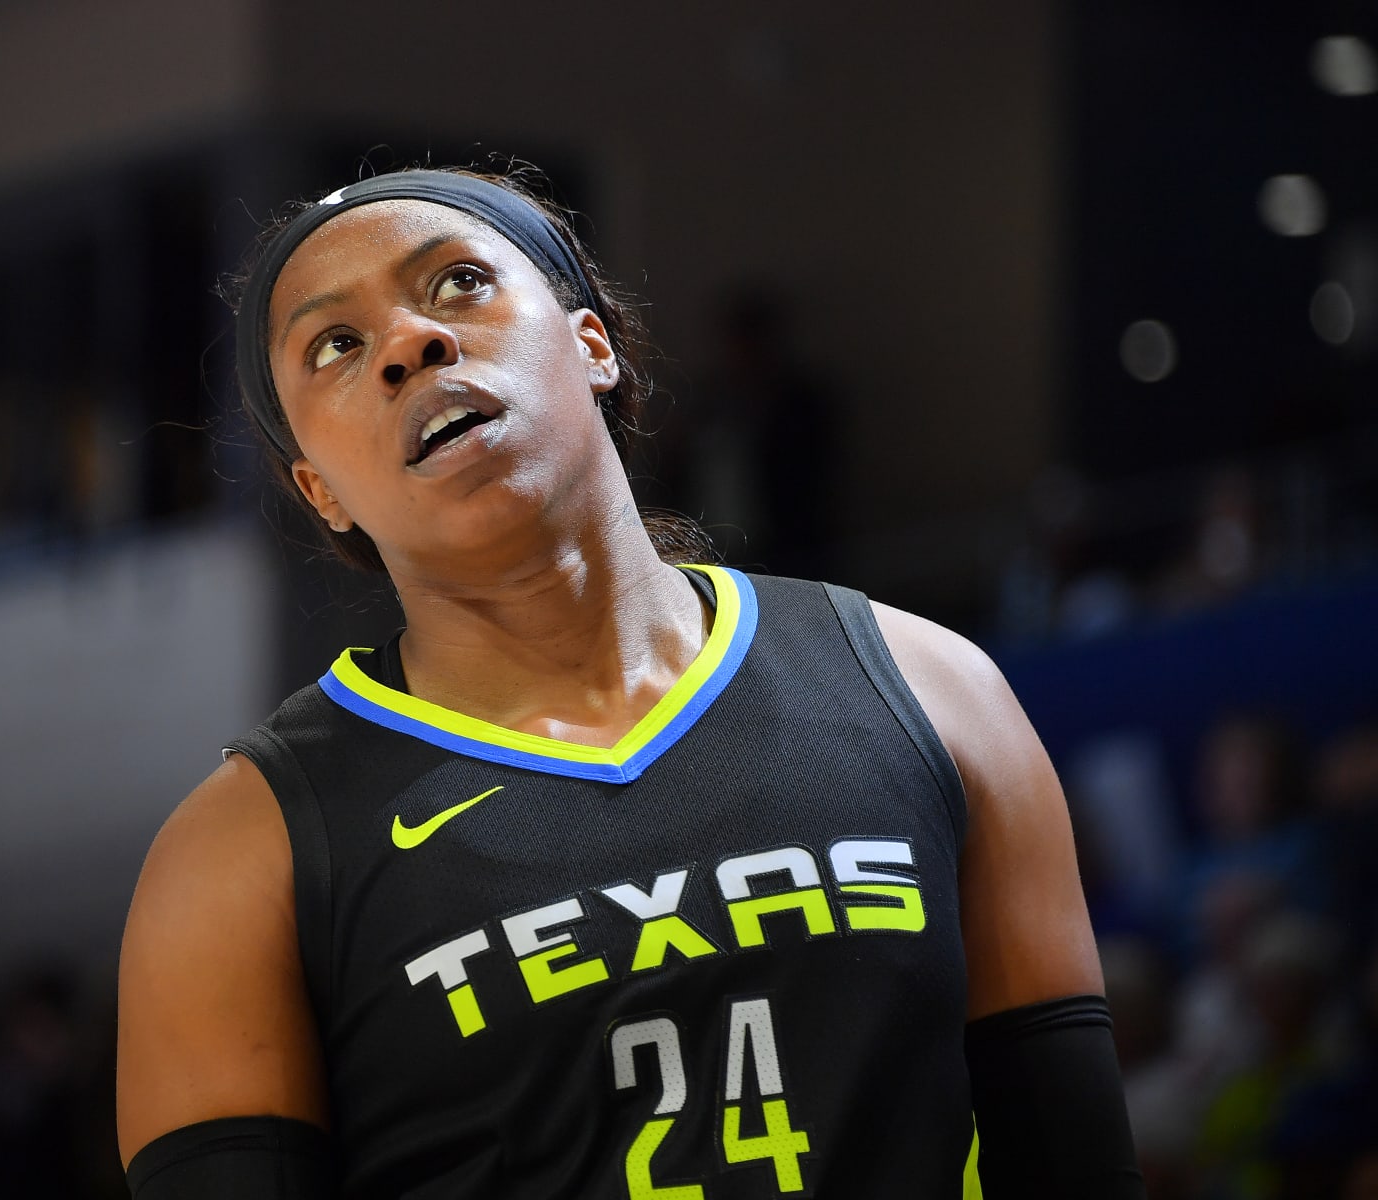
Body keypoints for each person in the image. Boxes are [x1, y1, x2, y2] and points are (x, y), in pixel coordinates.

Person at [115, 166, 1144, 1199]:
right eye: (335, 344)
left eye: (460, 283)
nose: (409, 345)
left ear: (591, 344)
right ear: (319, 491)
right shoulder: (239, 859)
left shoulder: (933, 687)